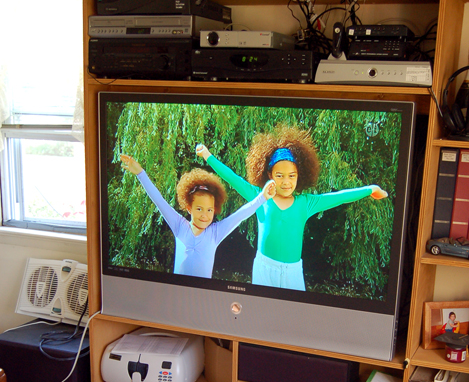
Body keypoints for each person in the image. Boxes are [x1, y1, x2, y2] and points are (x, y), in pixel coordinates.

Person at [196, 123, 388, 291]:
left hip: (293, 272)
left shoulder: (306, 203)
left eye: (292, 176)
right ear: (270, 175)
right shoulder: (260, 196)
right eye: (280, 175)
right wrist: (207, 156)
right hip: (264, 267)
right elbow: (232, 178)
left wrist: (369, 189)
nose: (286, 182)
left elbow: (338, 197)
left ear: (299, 175)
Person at [120, 155, 275, 279]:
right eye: (199, 209)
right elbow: (159, 201)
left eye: (209, 210)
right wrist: (141, 173)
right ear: (189, 208)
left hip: (202, 298)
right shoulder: (179, 226)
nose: (204, 215)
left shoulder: (215, 233)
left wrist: (262, 197)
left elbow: (240, 215)